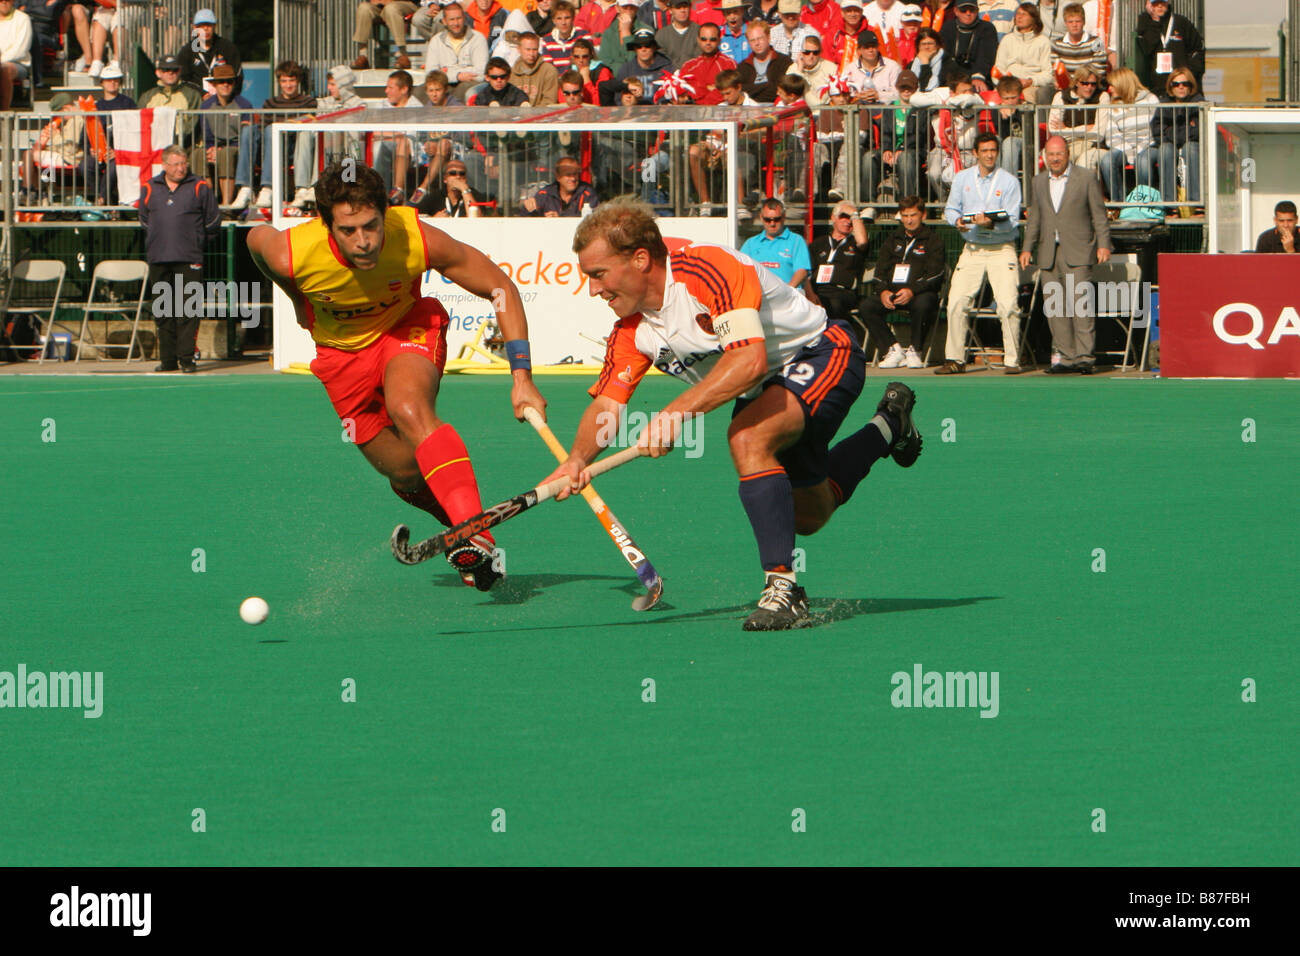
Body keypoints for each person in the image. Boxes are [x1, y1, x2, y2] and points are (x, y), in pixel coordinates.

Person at [547, 199, 921, 629]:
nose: (592, 290)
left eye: (598, 275)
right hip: (765, 389)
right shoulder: (632, 328)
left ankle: (784, 589)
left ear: (640, 258)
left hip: (821, 353)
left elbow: (748, 362)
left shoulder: (707, 269)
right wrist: (577, 461)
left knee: (747, 437)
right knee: (808, 516)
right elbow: (608, 405)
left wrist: (673, 415)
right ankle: (889, 425)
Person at [247, 163, 547, 590]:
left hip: (405, 327)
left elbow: (500, 286)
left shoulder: (416, 238)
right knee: (403, 473)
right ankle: (460, 530)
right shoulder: (291, 252)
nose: (363, 241)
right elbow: (253, 241)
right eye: (348, 230)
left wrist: (522, 375)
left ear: (385, 213)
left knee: (409, 406)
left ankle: (474, 530)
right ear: (326, 223)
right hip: (339, 356)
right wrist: (295, 295)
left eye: (371, 226)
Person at [1021, 135, 1111, 374]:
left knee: (1080, 305)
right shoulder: (1038, 181)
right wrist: (1027, 248)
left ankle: (1085, 358)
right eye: (1051, 154)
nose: (1055, 159)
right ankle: (1067, 358)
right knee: (1055, 307)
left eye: (1059, 154)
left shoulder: (1086, 178)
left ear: (1067, 154)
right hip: (1049, 253)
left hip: (1079, 250)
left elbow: (1099, 215)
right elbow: (1035, 218)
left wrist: (1104, 245)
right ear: (1045, 156)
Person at [938, 130, 1023, 374]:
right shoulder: (963, 178)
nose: (989, 155)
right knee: (956, 302)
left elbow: (1013, 220)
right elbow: (951, 209)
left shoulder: (1008, 181)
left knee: (1008, 305)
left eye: (993, 151)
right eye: (984, 151)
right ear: (975, 153)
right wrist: (957, 222)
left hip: (1001, 248)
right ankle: (954, 359)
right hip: (972, 248)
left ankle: (1012, 360)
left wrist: (992, 223)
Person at [140, 146, 221, 374]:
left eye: (183, 163)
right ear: (164, 165)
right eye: (175, 164)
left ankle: (187, 360)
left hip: (189, 258)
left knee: (188, 310)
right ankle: (167, 360)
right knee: (163, 310)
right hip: (159, 258)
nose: (180, 168)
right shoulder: (149, 187)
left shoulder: (199, 187)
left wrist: (194, 242)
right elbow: (144, 219)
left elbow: (213, 221)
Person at [862, 194, 945, 367]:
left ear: (923, 215)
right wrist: (883, 291)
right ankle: (892, 350)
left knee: (923, 304)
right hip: (892, 292)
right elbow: (880, 271)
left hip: (919, 293)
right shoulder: (892, 239)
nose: (909, 220)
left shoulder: (933, 240)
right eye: (905, 216)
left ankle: (916, 350)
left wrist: (912, 291)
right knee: (867, 306)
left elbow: (935, 275)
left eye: (913, 215)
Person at [809, 200, 869, 339]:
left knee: (833, 303)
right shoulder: (819, 243)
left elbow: (863, 241)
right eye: (844, 216)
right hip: (818, 290)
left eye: (851, 218)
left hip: (842, 292)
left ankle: (834, 342)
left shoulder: (855, 243)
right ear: (833, 218)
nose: (848, 221)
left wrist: (854, 215)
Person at [1142, 66, 1202, 207]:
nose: (1180, 87)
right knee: (1165, 150)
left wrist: (1170, 131)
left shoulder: (1199, 103)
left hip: (1193, 144)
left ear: (1191, 86)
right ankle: (1169, 204)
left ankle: (1196, 203)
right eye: (1176, 84)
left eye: (1184, 84)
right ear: (1171, 86)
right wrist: (1186, 129)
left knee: (1190, 148)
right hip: (1169, 144)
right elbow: (1157, 131)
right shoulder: (1164, 104)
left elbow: (1198, 131)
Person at [1095, 67, 1157, 202]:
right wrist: (1129, 152)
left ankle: (1144, 203)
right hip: (1124, 147)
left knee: (1143, 161)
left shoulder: (1150, 99)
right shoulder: (1113, 105)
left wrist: (1139, 150)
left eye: (1112, 86)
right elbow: (1112, 135)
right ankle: (1120, 204)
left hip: (1148, 145)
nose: (1109, 90)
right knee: (1107, 161)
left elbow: (1155, 129)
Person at [198, 64, 253, 208]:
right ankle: (206, 203)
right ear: (214, 84)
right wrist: (211, 149)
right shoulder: (206, 106)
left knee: (226, 154)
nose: (226, 85)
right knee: (197, 154)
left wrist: (223, 150)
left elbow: (246, 136)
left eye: (230, 81)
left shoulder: (244, 105)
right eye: (221, 81)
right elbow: (206, 133)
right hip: (214, 146)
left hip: (236, 148)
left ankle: (226, 204)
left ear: (235, 83)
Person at [739, 197, 811, 290]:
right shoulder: (750, 243)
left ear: (784, 217)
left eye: (776, 219)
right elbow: (740, 270)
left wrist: (787, 291)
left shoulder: (796, 241)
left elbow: (802, 271)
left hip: (788, 297)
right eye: (767, 220)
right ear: (761, 217)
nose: (772, 223)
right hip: (761, 298)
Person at [424, 1, 489, 100]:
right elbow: (430, 74)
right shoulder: (436, 41)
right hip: (443, 84)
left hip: (470, 84)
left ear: (464, 18)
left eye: (459, 18)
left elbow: (481, 73)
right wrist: (457, 76)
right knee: (420, 91)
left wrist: (445, 72)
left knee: (460, 91)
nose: (456, 23)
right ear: (444, 21)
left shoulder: (478, 38)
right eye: (452, 19)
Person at [1048, 65, 1108, 170]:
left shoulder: (1102, 96)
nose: (1089, 87)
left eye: (1093, 84)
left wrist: (1066, 129)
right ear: (1076, 82)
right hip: (1068, 144)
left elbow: (1099, 134)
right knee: (1050, 157)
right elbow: (1054, 131)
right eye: (1084, 83)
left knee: (1084, 162)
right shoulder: (1060, 96)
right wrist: (1086, 128)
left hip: (1093, 145)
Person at [1136, 0, 1203, 88]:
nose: (1159, 6)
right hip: (1156, 85)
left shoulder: (1181, 22)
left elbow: (1198, 49)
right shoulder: (1144, 23)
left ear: (1168, 3)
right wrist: (1155, 21)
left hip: (1180, 84)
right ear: (1149, 5)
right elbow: (1147, 49)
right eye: (1155, 3)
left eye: (1162, 2)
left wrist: (1189, 73)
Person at [993, 3, 1051, 105]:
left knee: (1028, 96)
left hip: (1031, 85)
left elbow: (1048, 74)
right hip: (1008, 84)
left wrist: (1031, 81)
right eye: (1018, 13)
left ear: (1033, 19)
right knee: (997, 97)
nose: (1019, 17)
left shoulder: (1043, 41)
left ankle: (1027, 121)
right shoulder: (1007, 39)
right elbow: (998, 68)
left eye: (1024, 14)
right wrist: (1009, 83)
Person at [177, 7, 242, 94]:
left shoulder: (228, 48)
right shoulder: (187, 51)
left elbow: (237, 75)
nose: (205, 29)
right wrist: (201, 94)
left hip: (225, 98)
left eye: (209, 25)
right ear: (194, 28)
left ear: (214, 26)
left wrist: (226, 96)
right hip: (197, 100)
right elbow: (183, 79)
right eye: (201, 26)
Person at [939, 0, 995, 92]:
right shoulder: (947, 28)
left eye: (972, 10)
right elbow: (945, 57)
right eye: (963, 10)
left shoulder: (987, 28)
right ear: (956, 11)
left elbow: (986, 57)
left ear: (977, 11)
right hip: (952, 77)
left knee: (979, 88)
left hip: (977, 76)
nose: (968, 13)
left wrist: (978, 76)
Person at [1049, 2, 1108, 86]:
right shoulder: (1056, 44)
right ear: (1065, 23)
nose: (1074, 25)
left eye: (1078, 21)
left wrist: (1080, 84)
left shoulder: (1096, 42)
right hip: (1065, 87)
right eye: (1070, 22)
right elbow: (1054, 70)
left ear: (1083, 22)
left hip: (1089, 86)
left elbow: (1100, 70)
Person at [678, 21, 736, 104]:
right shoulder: (688, 66)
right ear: (698, 40)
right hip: (693, 112)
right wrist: (707, 88)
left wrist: (698, 91)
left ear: (719, 40)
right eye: (703, 39)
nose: (708, 43)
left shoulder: (728, 64)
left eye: (712, 39)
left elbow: (729, 93)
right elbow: (683, 95)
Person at [521, 155, 599, 214]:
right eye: (568, 175)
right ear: (558, 177)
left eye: (575, 174)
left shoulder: (587, 193)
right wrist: (528, 207)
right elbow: (524, 217)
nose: (573, 178)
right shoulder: (546, 194)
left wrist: (560, 219)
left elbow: (593, 221)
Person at [354, 0, 420, 70]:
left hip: (406, 3)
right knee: (364, 8)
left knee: (391, 8)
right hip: (380, 5)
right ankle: (363, 54)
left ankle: (402, 53)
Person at [738, 20, 790, 102]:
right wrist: (768, 86)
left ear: (768, 38)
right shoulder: (743, 67)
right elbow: (738, 90)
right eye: (752, 40)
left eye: (760, 38)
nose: (757, 43)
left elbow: (783, 90)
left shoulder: (784, 62)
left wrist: (752, 90)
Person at [509, 30, 561, 102]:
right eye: (528, 49)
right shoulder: (511, 74)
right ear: (519, 49)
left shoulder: (549, 71)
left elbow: (549, 101)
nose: (531, 54)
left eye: (535, 49)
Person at [0, 0, 31, 110]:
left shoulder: (23, 19)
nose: (4, 2)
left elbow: (21, 50)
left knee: (3, 70)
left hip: (17, 64)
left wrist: (1, 61)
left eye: (7, 0)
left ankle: (4, 113)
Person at [542, 0, 589, 69]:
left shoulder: (584, 36)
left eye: (567, 18)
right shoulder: (547, 41)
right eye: (559, 19)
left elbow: (587, 63)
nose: (563, 22)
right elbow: (549, 70)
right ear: (553, 20)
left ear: (573, 18)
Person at [656, 0, 699, 68]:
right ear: (670, 10)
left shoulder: (699, 31)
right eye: (678, 7)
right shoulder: (662, 34)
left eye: (685, 7)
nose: (682, 10)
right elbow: (660, 60)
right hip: (669, 74)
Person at [907, 26, 948, 91]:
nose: (926, 47)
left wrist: (925, 64)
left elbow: (925, 88)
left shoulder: (947, 63)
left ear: (938, 45)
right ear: (918, 47)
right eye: (923, 44)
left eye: (930, 43)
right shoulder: (911, 66)